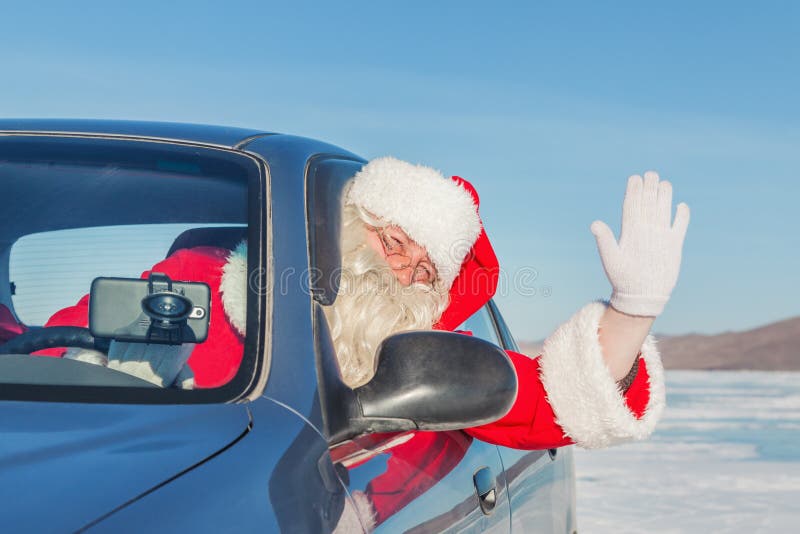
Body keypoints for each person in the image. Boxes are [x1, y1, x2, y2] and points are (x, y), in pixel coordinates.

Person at [38, 156, 689, 451]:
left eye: (424, 268)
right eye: (394, 240)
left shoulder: (409, 351)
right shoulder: (200, 276)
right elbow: (61, 342)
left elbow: (546, 402)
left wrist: (632, 312)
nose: (400, 267)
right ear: (350, 221)